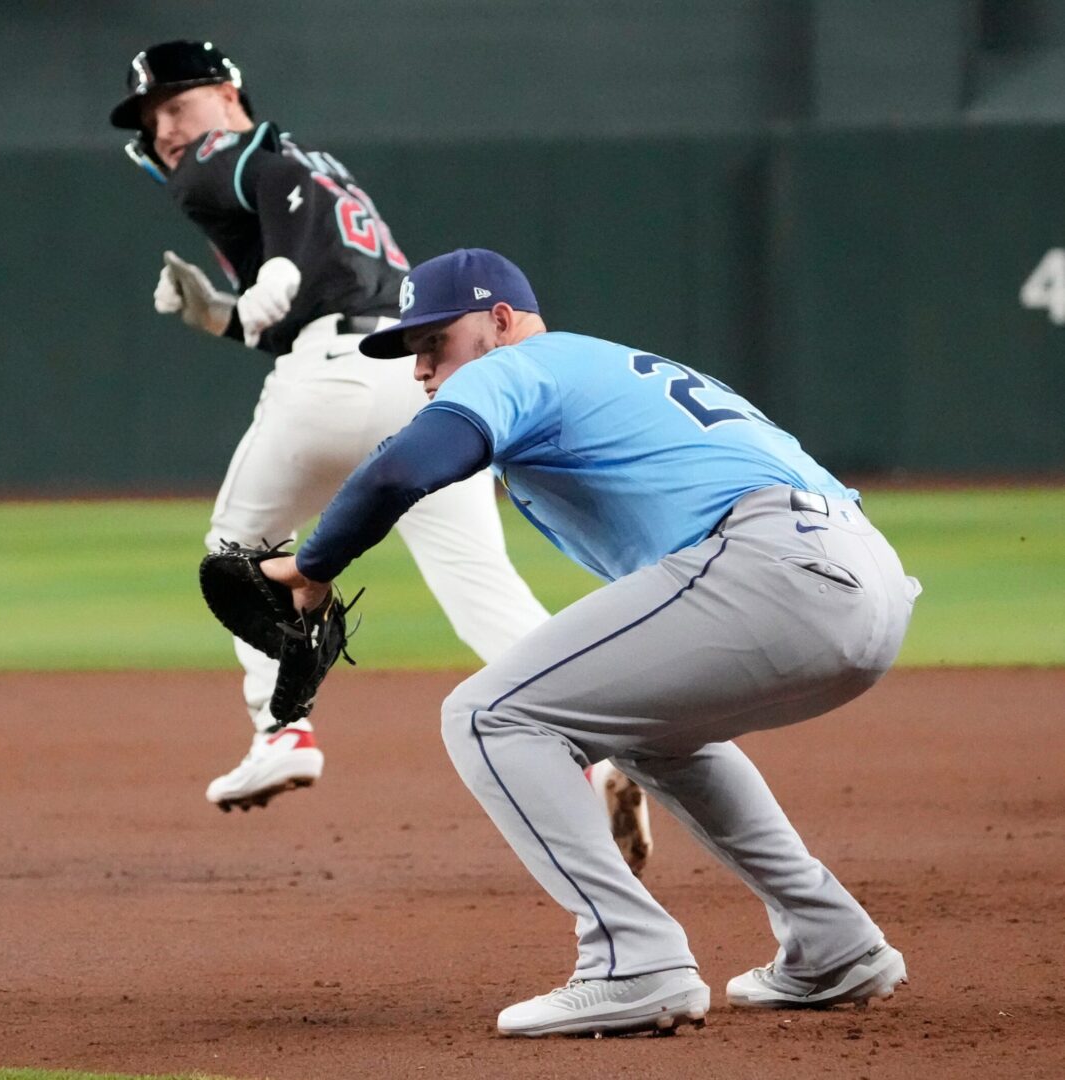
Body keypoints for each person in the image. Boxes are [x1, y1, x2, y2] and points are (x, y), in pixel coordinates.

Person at [261, 248, 921, 1037]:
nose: (420, 367)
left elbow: (399, 473)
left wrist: (310, 566)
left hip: (772, 566)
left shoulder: (518, 364)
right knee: (652, 734)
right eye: (412, 350)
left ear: (499, 321)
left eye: (434, 341)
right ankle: (832, 941)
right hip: (863, 578)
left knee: (487, 714)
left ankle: (631, 960)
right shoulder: (608, 368)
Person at [107, 37, 653, 868]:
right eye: (153, 120)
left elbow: (275, 189)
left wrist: (278, 266)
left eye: (177, 106)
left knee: (235, 554)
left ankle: (280, 728)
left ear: (227, 96)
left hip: (332, 378)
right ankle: (600, 749)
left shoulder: (241, 154)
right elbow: (306, 291)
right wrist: (225, 311)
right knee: (481, 587)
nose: (166, 130)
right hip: (413, 381)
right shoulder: (310, 169)